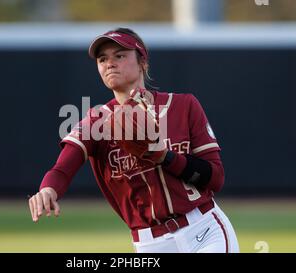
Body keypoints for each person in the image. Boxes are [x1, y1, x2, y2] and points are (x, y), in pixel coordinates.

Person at [28, 27, 239, 253]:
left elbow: (215, 178)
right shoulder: (97, 122)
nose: (110, 63)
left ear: (142, 62)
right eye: (102, 59)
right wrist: (48, 189)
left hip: (203, 229)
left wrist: (165, 157)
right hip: (149, 243)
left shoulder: (182, 106)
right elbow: (63, 168)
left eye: (119, 56)